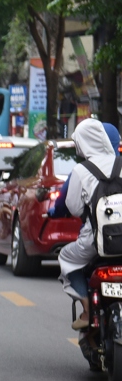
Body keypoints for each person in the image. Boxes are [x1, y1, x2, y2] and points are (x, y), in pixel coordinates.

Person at [57, 118, 122, 328]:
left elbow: (74, 208)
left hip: (94, 243)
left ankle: (86, 310)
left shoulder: (80, 171)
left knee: (66, 257)